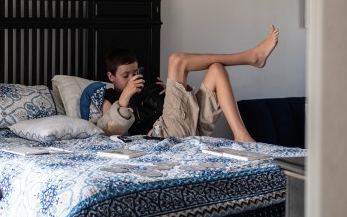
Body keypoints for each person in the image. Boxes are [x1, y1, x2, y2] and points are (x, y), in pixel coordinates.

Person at [97, 26, 280, 143]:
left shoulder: (147, 88)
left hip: (189, 126)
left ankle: (241, 135)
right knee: (176, 60)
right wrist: (125, 97)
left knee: (217, 70)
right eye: (125, 75)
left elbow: (173, 110)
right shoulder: (110, 97)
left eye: (135, 73)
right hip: (162, 136)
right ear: (110, 76)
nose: (132, 79)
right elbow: (108, 131)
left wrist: (172, 95)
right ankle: (250, 57)